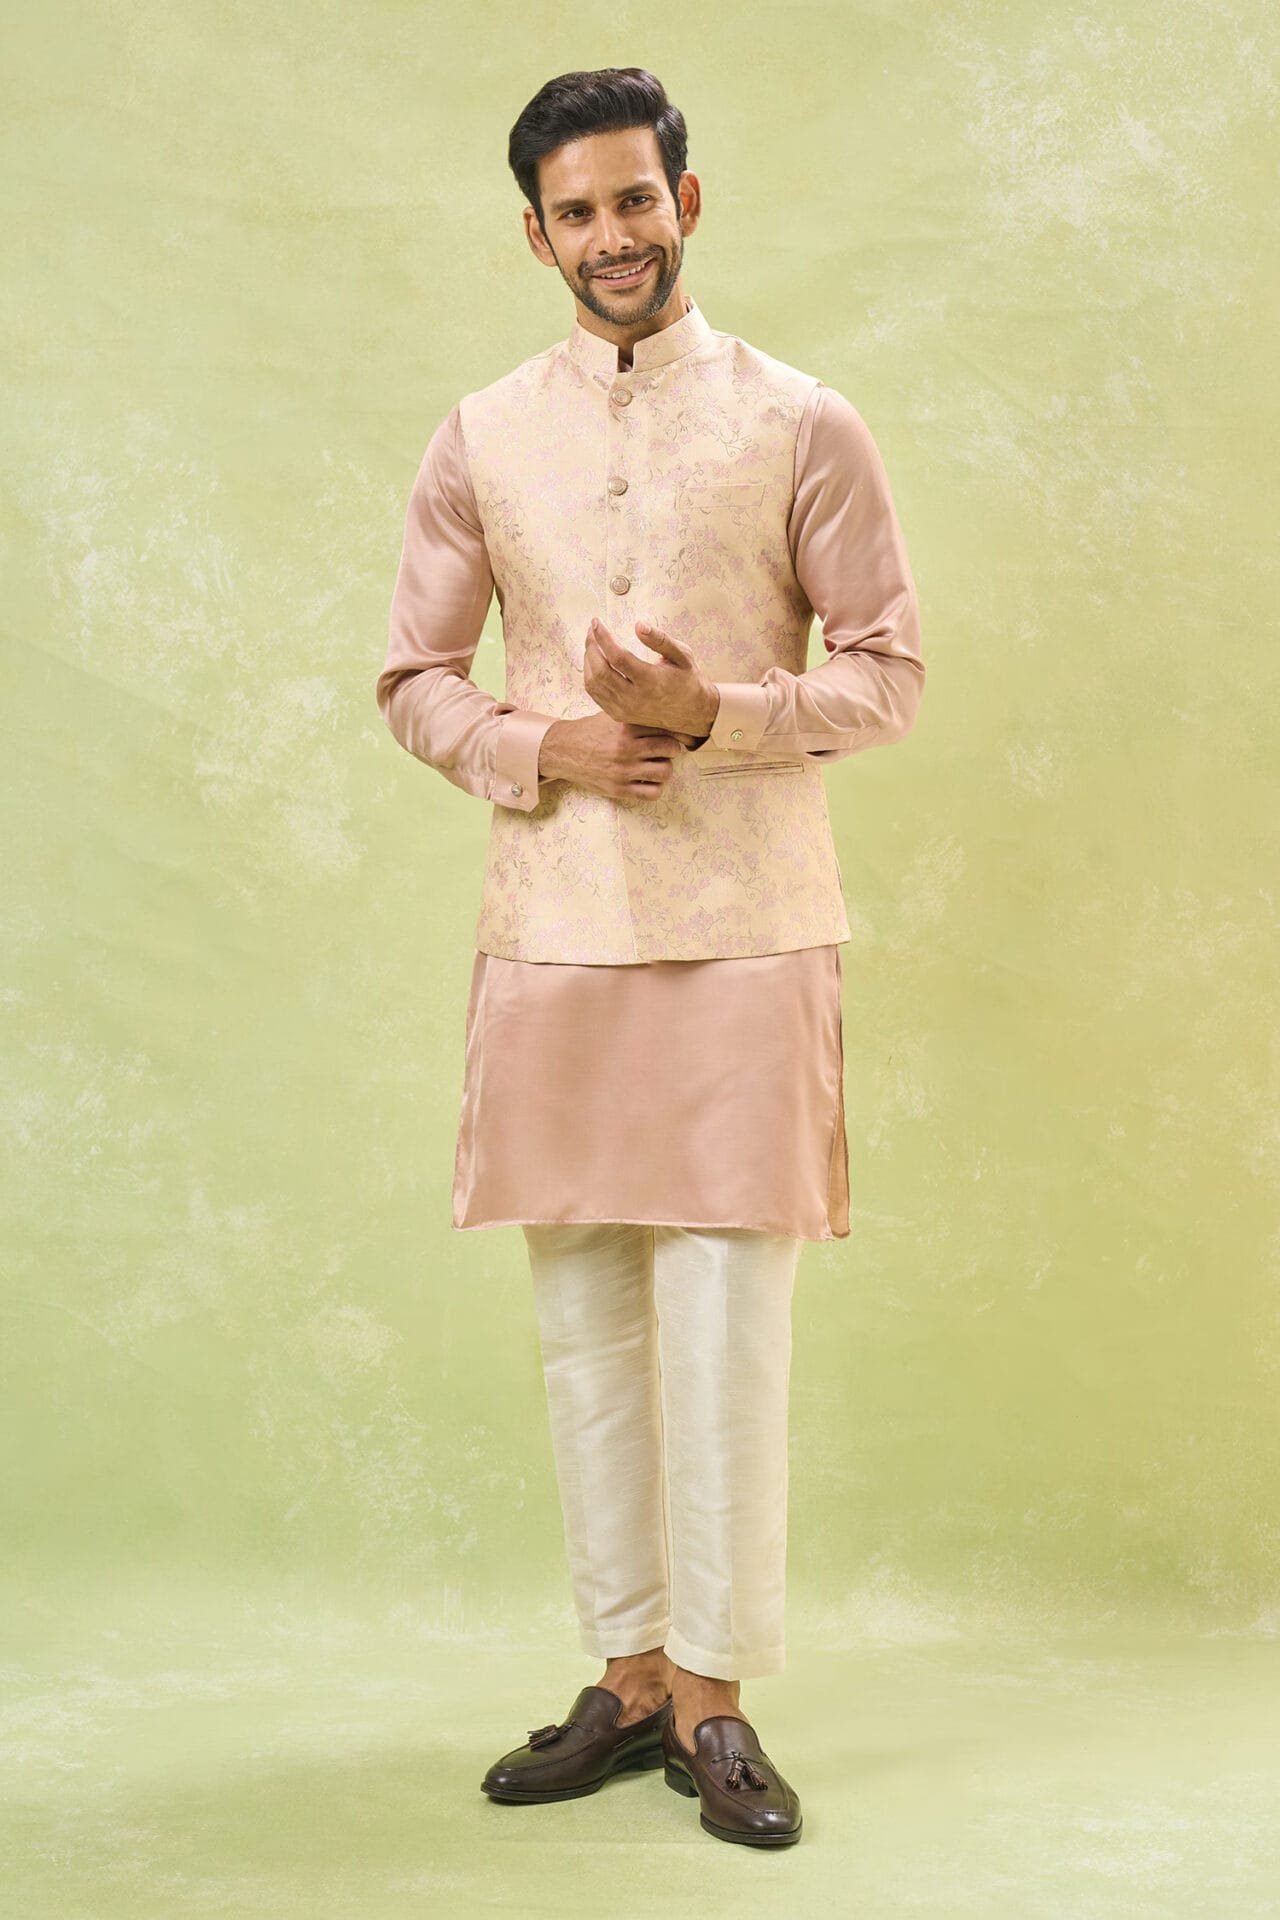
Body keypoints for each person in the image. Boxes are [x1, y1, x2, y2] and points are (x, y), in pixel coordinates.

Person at [375, 66, 924, 1849]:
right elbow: (414, 680)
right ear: (534, 236)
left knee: (726, 1323)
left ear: (688, 201)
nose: (612, 235)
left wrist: (715, 716)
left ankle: (715, 1695)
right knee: (586, 1329)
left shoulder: (801, 422)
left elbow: (889, 674)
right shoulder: (482, 435)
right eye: (577, 212)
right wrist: (546, 744)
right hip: (553, 928)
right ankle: (623, 1677)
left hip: (750, 926)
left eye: (636, 199)